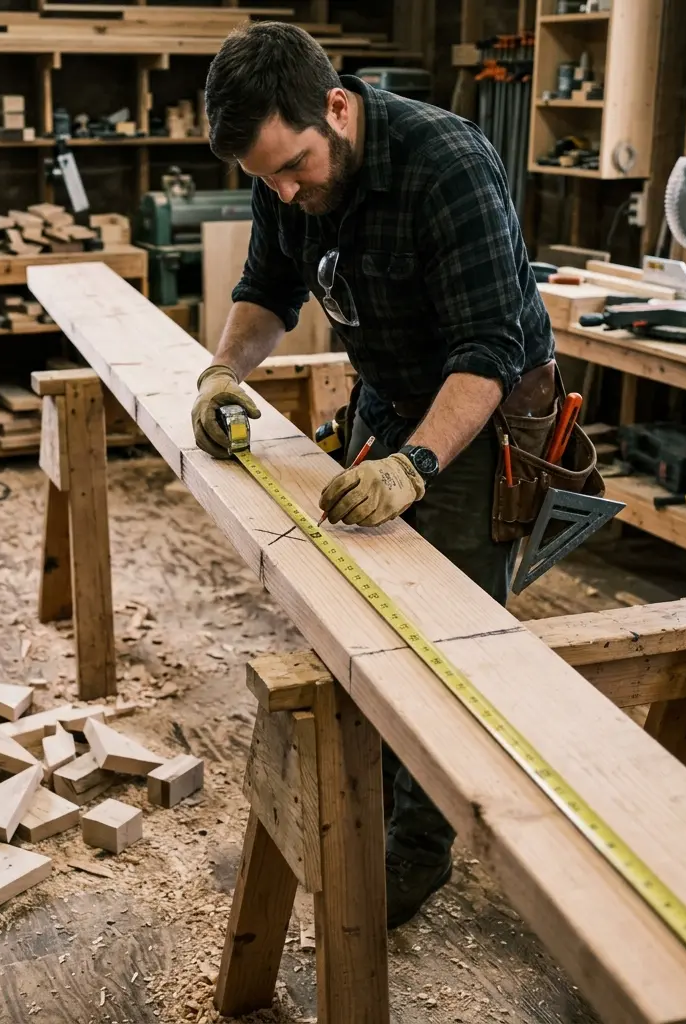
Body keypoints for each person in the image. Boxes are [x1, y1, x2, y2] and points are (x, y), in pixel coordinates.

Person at [191, 22, 556, 928]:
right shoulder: (288, 172)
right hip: (391, 398)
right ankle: (363, 811)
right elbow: (269, 290)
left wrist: (415, 467)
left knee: (443, 645)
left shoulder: (448, 167)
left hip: (484, 415)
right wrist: (221, 373)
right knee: (362, 619)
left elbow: (488, 350)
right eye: (266, 176)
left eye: (296, 167)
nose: (284, 189)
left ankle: (417, 852)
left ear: (339, 109)